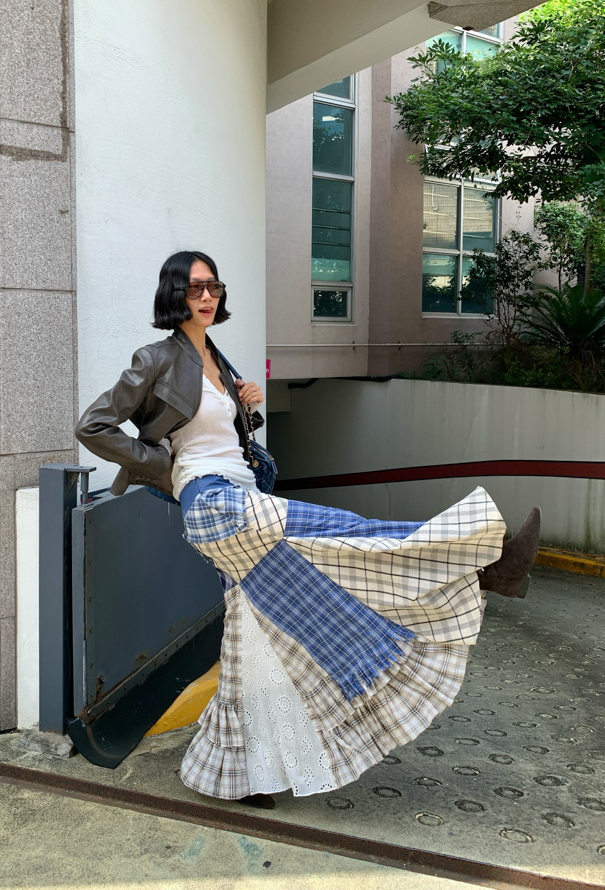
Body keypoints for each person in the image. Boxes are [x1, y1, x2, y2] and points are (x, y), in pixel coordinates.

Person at [75, 249, 541, 809]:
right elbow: (94, 425)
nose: (206, 297)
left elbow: (222, 437)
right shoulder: (155, 358)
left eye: (213, 287)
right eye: (194, 288)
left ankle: (231, 773)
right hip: (211, 502)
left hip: (243, 492)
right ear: (174, 294)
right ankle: (484, 562)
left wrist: (249, 406)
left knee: (252, 639)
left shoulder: (218, 359)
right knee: (345, 532)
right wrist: (167, 468)